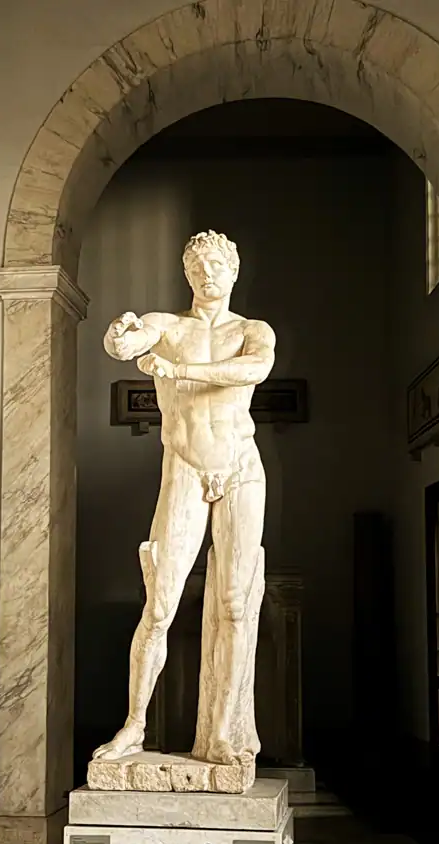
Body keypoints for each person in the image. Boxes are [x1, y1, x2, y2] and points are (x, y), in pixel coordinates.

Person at [93, 230, 276, 766]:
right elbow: (127, 343)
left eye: (216, 265)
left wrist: (179, 373)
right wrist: (121, 334)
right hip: (186, 467)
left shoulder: (254, 331)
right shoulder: (168, 327)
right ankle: (133, 726)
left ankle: (220, 733)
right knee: (160, 604)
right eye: (196, 268)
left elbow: (254, 370)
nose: (207, 275)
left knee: (236, 606)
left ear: (234, 271)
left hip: (240, 468)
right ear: (186, 275)